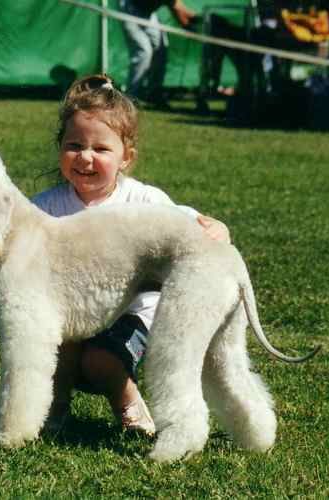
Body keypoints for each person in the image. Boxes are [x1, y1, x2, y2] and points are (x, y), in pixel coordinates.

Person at [31, 74, 231, 435]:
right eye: (74, 145)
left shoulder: (142, 201)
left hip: (132, 313)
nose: (85, 157)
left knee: (101, 360)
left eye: (101, 149)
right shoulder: (45, 207)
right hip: (70, 313)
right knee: (57, 348)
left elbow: (186, 223)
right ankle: (53, 406)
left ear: (126, 157)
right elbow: (17, 238)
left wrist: (216, 227)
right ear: (60, 147)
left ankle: (127, 402)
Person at [119, 0, 197, 107]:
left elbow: (178, 5)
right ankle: (131, 98)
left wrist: (196, 19)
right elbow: (176, 9)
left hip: (148, 14)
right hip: (131, 7)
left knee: (160, 50)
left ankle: (153, 93)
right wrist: (189, 27)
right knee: (144, 52)